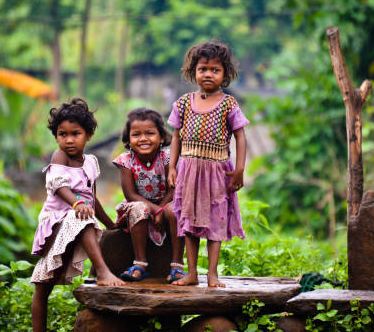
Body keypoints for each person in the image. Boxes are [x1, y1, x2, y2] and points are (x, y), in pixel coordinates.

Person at [30, 98, 124, 332]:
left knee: (91, 223)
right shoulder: (59, 157)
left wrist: (110, 223)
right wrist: (77, 203)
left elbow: (93, 199)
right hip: (56, 224)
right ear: (56, 137)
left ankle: (102, 274)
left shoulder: (91, 162)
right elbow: (59, 187)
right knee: (42, 287)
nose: (68, 140)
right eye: (62, 134)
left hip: (80, 222)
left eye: (76, 133)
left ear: (88, 135)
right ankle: (102, 271)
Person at [167, 40, 248, 288]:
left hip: (218, 172)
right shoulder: (183, 103)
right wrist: (172, 167)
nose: (208, 74)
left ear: (225, 74)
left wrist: (240, 170)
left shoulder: (228, 104)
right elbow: (176, 137)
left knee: (216, 220)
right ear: (194, 72)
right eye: (203, 69)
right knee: (189, 223)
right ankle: (192, 273)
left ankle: (212, 275)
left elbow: (241, 137)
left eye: (215, 70)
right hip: (189, 171)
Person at [113, 108, 186, 283]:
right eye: (136, 134)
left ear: (161, 137)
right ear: (129, 140)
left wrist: (161, 209)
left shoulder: (168, 158)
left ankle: (177, 266)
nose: (143, 138)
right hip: (137, 205)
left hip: (166, 202)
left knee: (175, 209)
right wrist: (156, 211)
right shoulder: (125, 160)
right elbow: (130, 194)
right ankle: (140, 264)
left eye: (150, 133)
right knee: (140, 208)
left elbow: (173, 190)